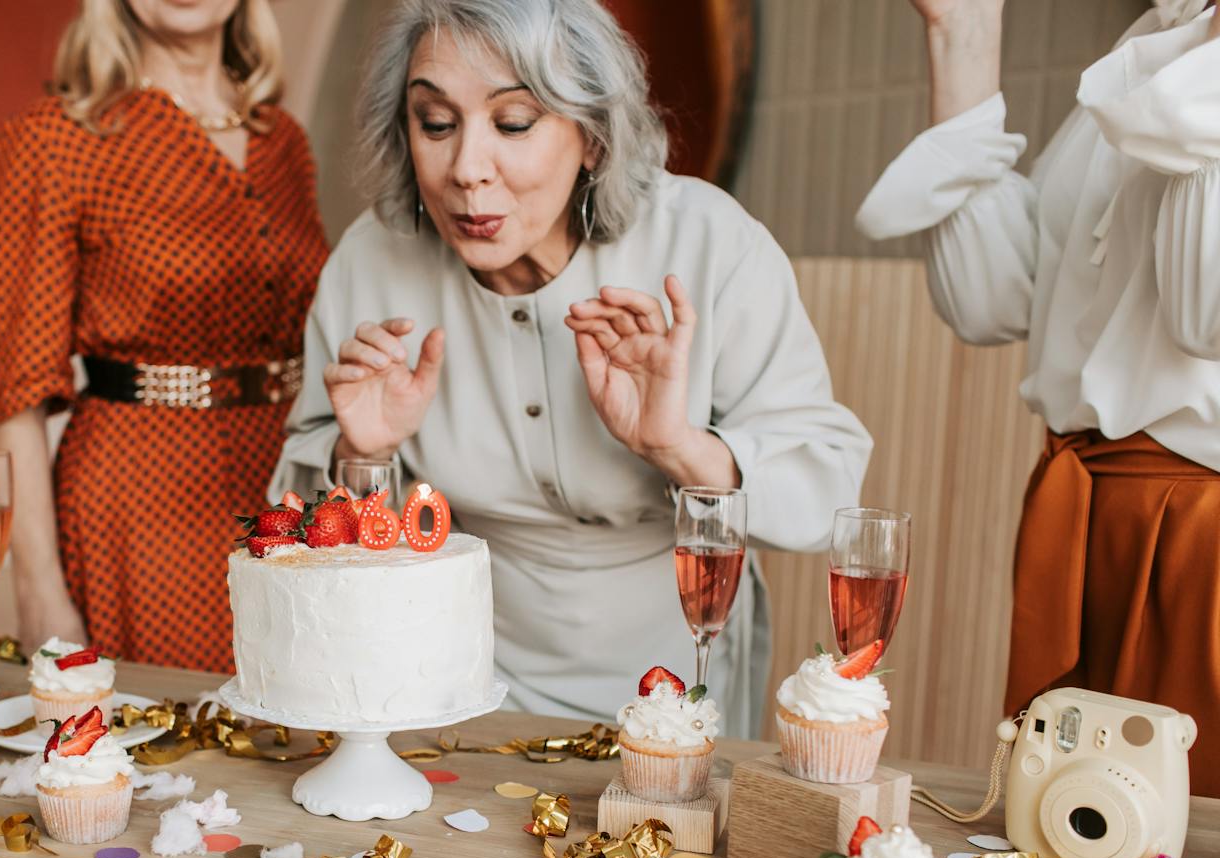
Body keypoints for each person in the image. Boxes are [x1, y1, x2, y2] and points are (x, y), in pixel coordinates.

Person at [271, 0, 871, 736]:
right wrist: (361, 454)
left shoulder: (708, 244)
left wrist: (681, 447)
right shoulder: (371, 263)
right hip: (455, 681)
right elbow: (295, 529)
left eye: (514, 123)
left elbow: (829, 483)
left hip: (676, 680)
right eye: (436, 123)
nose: (466, 169)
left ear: (591, 135)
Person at [0, 0, 326, 858]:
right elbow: (15, 386)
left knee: (277, 810)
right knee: (149, 817)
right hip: (135, 505)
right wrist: (41, 588)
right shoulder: (60, 134)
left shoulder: (283, 141)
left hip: (280, 506)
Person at [856, 0, 1219, 794]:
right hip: (1086, 512)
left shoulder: (1193, 66)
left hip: (1199, 544)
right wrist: (962, 33)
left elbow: (1208, 312)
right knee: (1067, 835)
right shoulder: (1151, 46)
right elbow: (997, 301)